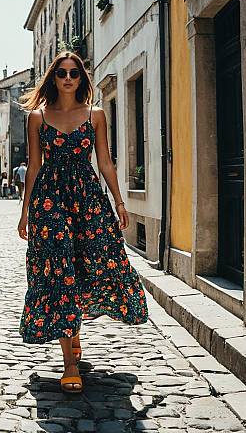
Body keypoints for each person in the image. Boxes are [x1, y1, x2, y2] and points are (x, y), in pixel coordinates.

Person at [16, 51, 149, 394]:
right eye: (61, 72)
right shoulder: (37, 118)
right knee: (58, 271)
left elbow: (105, 162)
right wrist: (25, 210)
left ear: (81, 77)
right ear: (53, 77)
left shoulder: (96, 115)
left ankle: (73, 332)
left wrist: (119, 201)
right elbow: (33, 167)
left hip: (88, 200)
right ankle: (69, 363)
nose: (68, 78)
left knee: (93, 265)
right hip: (50, 201)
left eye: (74, 72)